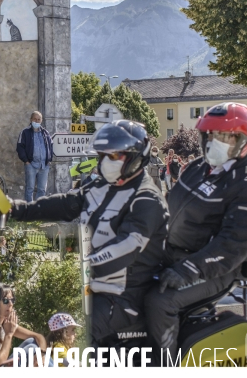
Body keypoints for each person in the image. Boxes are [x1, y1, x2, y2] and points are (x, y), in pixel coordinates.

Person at [9, 120, 168, 346]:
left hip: (127, 297)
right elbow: (66, 204)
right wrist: (15, 209)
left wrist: (78, 268)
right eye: (102, 156)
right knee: (46, 338)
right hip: (96, 291)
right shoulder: (103, 187)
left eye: (112, 157)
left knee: (69, 339)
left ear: (135, 157)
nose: (104, 162)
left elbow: (125, 248)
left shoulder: (147, 199)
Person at [145, 103, 247, 361]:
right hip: (170, 254)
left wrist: (189, 270)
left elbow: (233, 247)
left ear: (243, 141)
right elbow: (168, 207)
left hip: (214, 268)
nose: (215, 142)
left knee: (160, 302)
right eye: (210, 135)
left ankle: (165, 366)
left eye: (226, 137)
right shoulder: (198, 168)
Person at [0, 282, 47, 366]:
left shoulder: (5, 323)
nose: (11, 304)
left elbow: (38, 337)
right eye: (5, 300)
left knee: (32, 342)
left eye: (12, 300)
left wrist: (42, 355)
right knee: (31, 348)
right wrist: (9, 334)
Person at [16, 111, 53, 202]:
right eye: (35, 119)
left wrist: (49, 160)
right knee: (30, 188)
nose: (36, 121)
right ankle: (28, 210)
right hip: (31, 165)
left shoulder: (45, 133)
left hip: (44, 166)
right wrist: (26, 162)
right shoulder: (25, 132)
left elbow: (51, 146)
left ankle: (38, 210)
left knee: (42, 189)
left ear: (41, 120)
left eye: (38, 119)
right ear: (31, 119)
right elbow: (20, 147)